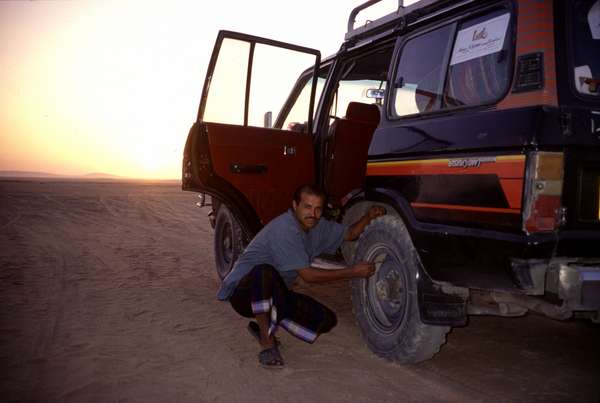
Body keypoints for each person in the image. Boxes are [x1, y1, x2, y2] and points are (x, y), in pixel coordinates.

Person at [216, 184, 386, 368]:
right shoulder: (285, 229)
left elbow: (350, 234)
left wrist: (368, 216)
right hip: (243, 294)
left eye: (318, 208)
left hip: (273, 292)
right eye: (307, 206)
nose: (312, 213)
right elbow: (309, 276)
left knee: (326, 320)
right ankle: (267, 342)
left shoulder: (317, 226)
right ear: (295, 205)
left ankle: (265, 323)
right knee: (264, 271)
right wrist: (353, 272)